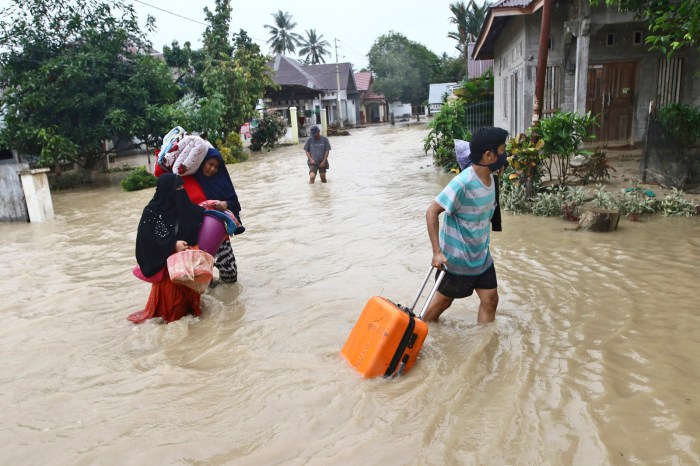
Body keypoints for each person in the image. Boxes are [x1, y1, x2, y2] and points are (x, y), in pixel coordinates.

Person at [423, 127, 509, 324]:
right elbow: (432, 211)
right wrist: (437, 252)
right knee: (442, 303)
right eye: (503, 150)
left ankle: (484, 346)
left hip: (481, 257)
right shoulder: (462, 183)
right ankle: (419, 334)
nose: (506, 155)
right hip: (457, 260)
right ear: (489, 155)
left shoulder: (492, 179)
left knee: (491, 300)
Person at [128, 173, 206, 324]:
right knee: (172, 314)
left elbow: (197, 219)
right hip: (168, 271)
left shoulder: (186, 207)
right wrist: (172, 245)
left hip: (188, 268)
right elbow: (146, 240)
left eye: (183, 186)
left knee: (193, 316)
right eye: (178, 187)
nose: (182, 190)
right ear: (167, 191)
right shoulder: (152, 211)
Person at [192, 147, 243, 284]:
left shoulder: (222, 181)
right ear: (202, 163)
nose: (212, 169)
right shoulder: (192, 180)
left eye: (216, 166)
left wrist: (226, 204)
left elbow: (235, 203)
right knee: (201, 276)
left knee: (230, 275)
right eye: (210, 164)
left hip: (218, 233)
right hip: (196, 234)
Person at [454, 138, 509, 232]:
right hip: (488, 175)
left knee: (486, 203)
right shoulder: (491, 155)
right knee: (492, 204)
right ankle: (494, 225)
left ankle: (489, 224)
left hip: (486, 176)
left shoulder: (472, 153)